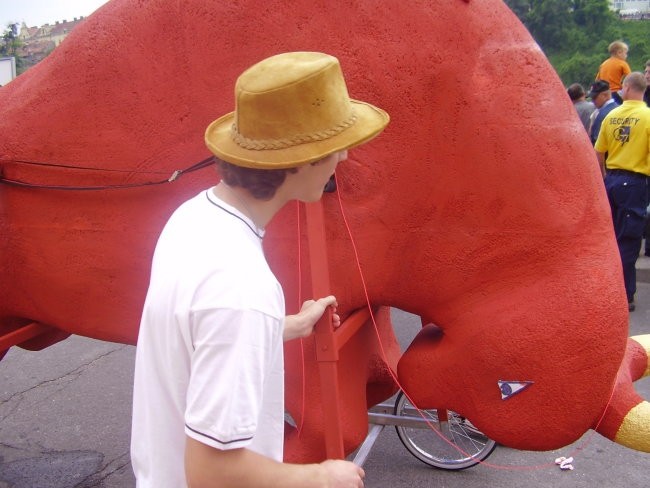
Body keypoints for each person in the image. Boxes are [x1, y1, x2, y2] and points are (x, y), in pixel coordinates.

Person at [130, 51, 389, 487]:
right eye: (334, 146)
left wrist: (286, 325)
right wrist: (322, 476)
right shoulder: (242, 288)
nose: (343, 158)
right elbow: (211, 471)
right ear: (303, 159)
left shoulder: (192, 218)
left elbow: (203, 330)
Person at [594, 72, 650, 312]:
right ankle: (623, 294)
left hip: (612, 180)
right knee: (628, 241)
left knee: (610, 238)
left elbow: (599, 151)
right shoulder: (647, 116)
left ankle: (608, 289)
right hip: (636, 182)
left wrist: (605, 177)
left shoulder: (611, 115)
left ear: (627, 88)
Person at [588, 80, 619, 145]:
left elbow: (597, 142)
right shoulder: (619, 109)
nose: (592, 101)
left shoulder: (602, 115)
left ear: (605, 95)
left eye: (594, 97)